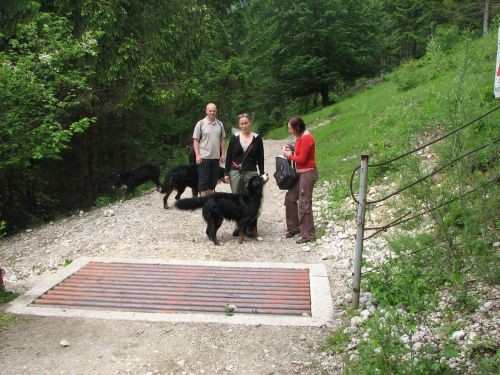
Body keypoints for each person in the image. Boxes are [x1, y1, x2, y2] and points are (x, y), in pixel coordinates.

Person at [224, 113, 265, 236]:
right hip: (235, 172)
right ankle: (239, 227)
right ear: (239, 124)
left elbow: (261, 158)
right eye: (242, 123)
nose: (244, 125)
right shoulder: (234, 138)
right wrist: (226, 172)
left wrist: (262, 173)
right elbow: (229, 157)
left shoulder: (257, 138)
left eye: (246, 123)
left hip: (251, 172)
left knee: (252, 200)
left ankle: (251, 228)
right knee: (237, 200)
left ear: (250, 122)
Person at [281, 116, 317, 244]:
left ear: (297, 127)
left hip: (308, 173)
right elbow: (299, 152)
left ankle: (308, 234)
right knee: (290, 197)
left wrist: (288, 155)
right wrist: (290, 148)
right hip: (300, 173)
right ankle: (294, 228)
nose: (289, 130)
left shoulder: (307, 138)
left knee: (304, 203)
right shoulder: (300, 137)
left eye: (290, 128)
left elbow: (302, 159)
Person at [192, 103, 226, 196]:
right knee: (204, 181)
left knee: (213, 181)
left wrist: (223, 154)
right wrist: (198, 155)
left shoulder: (220, 124)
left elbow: (222, 139)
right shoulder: (200, 123)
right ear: (206, 111)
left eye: (214, 110)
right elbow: (196, 140)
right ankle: (203, 203)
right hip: (204, 157)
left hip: (215, 157)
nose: (212, 112)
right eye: (210, 110)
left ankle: (210, 203)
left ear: (216, 111)